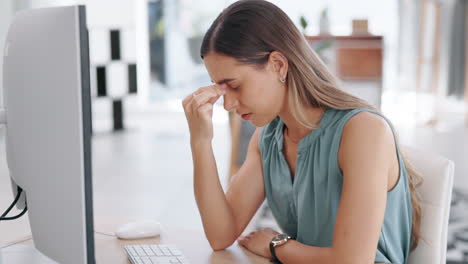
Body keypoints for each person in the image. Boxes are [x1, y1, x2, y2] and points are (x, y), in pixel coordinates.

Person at [182, 1, 422, 263]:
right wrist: (200, 141)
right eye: (221, 89)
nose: (227, 105)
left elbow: (353, 260)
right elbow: (220, 234)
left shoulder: (364, 131)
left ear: (278, 65)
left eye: (234, 86)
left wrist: (277, 246)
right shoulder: (268, 140)